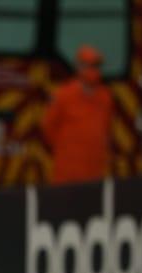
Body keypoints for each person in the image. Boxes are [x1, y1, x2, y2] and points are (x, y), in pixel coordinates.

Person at [41, 45, 114, 185]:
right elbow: (48, 127)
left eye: (97, 66)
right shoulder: (63, 95)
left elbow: (107, 130)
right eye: (90, 65)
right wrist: (66, 149)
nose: (94, 70)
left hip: (94, 173)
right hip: (67, 173)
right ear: (78, 67)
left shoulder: (105, 97)